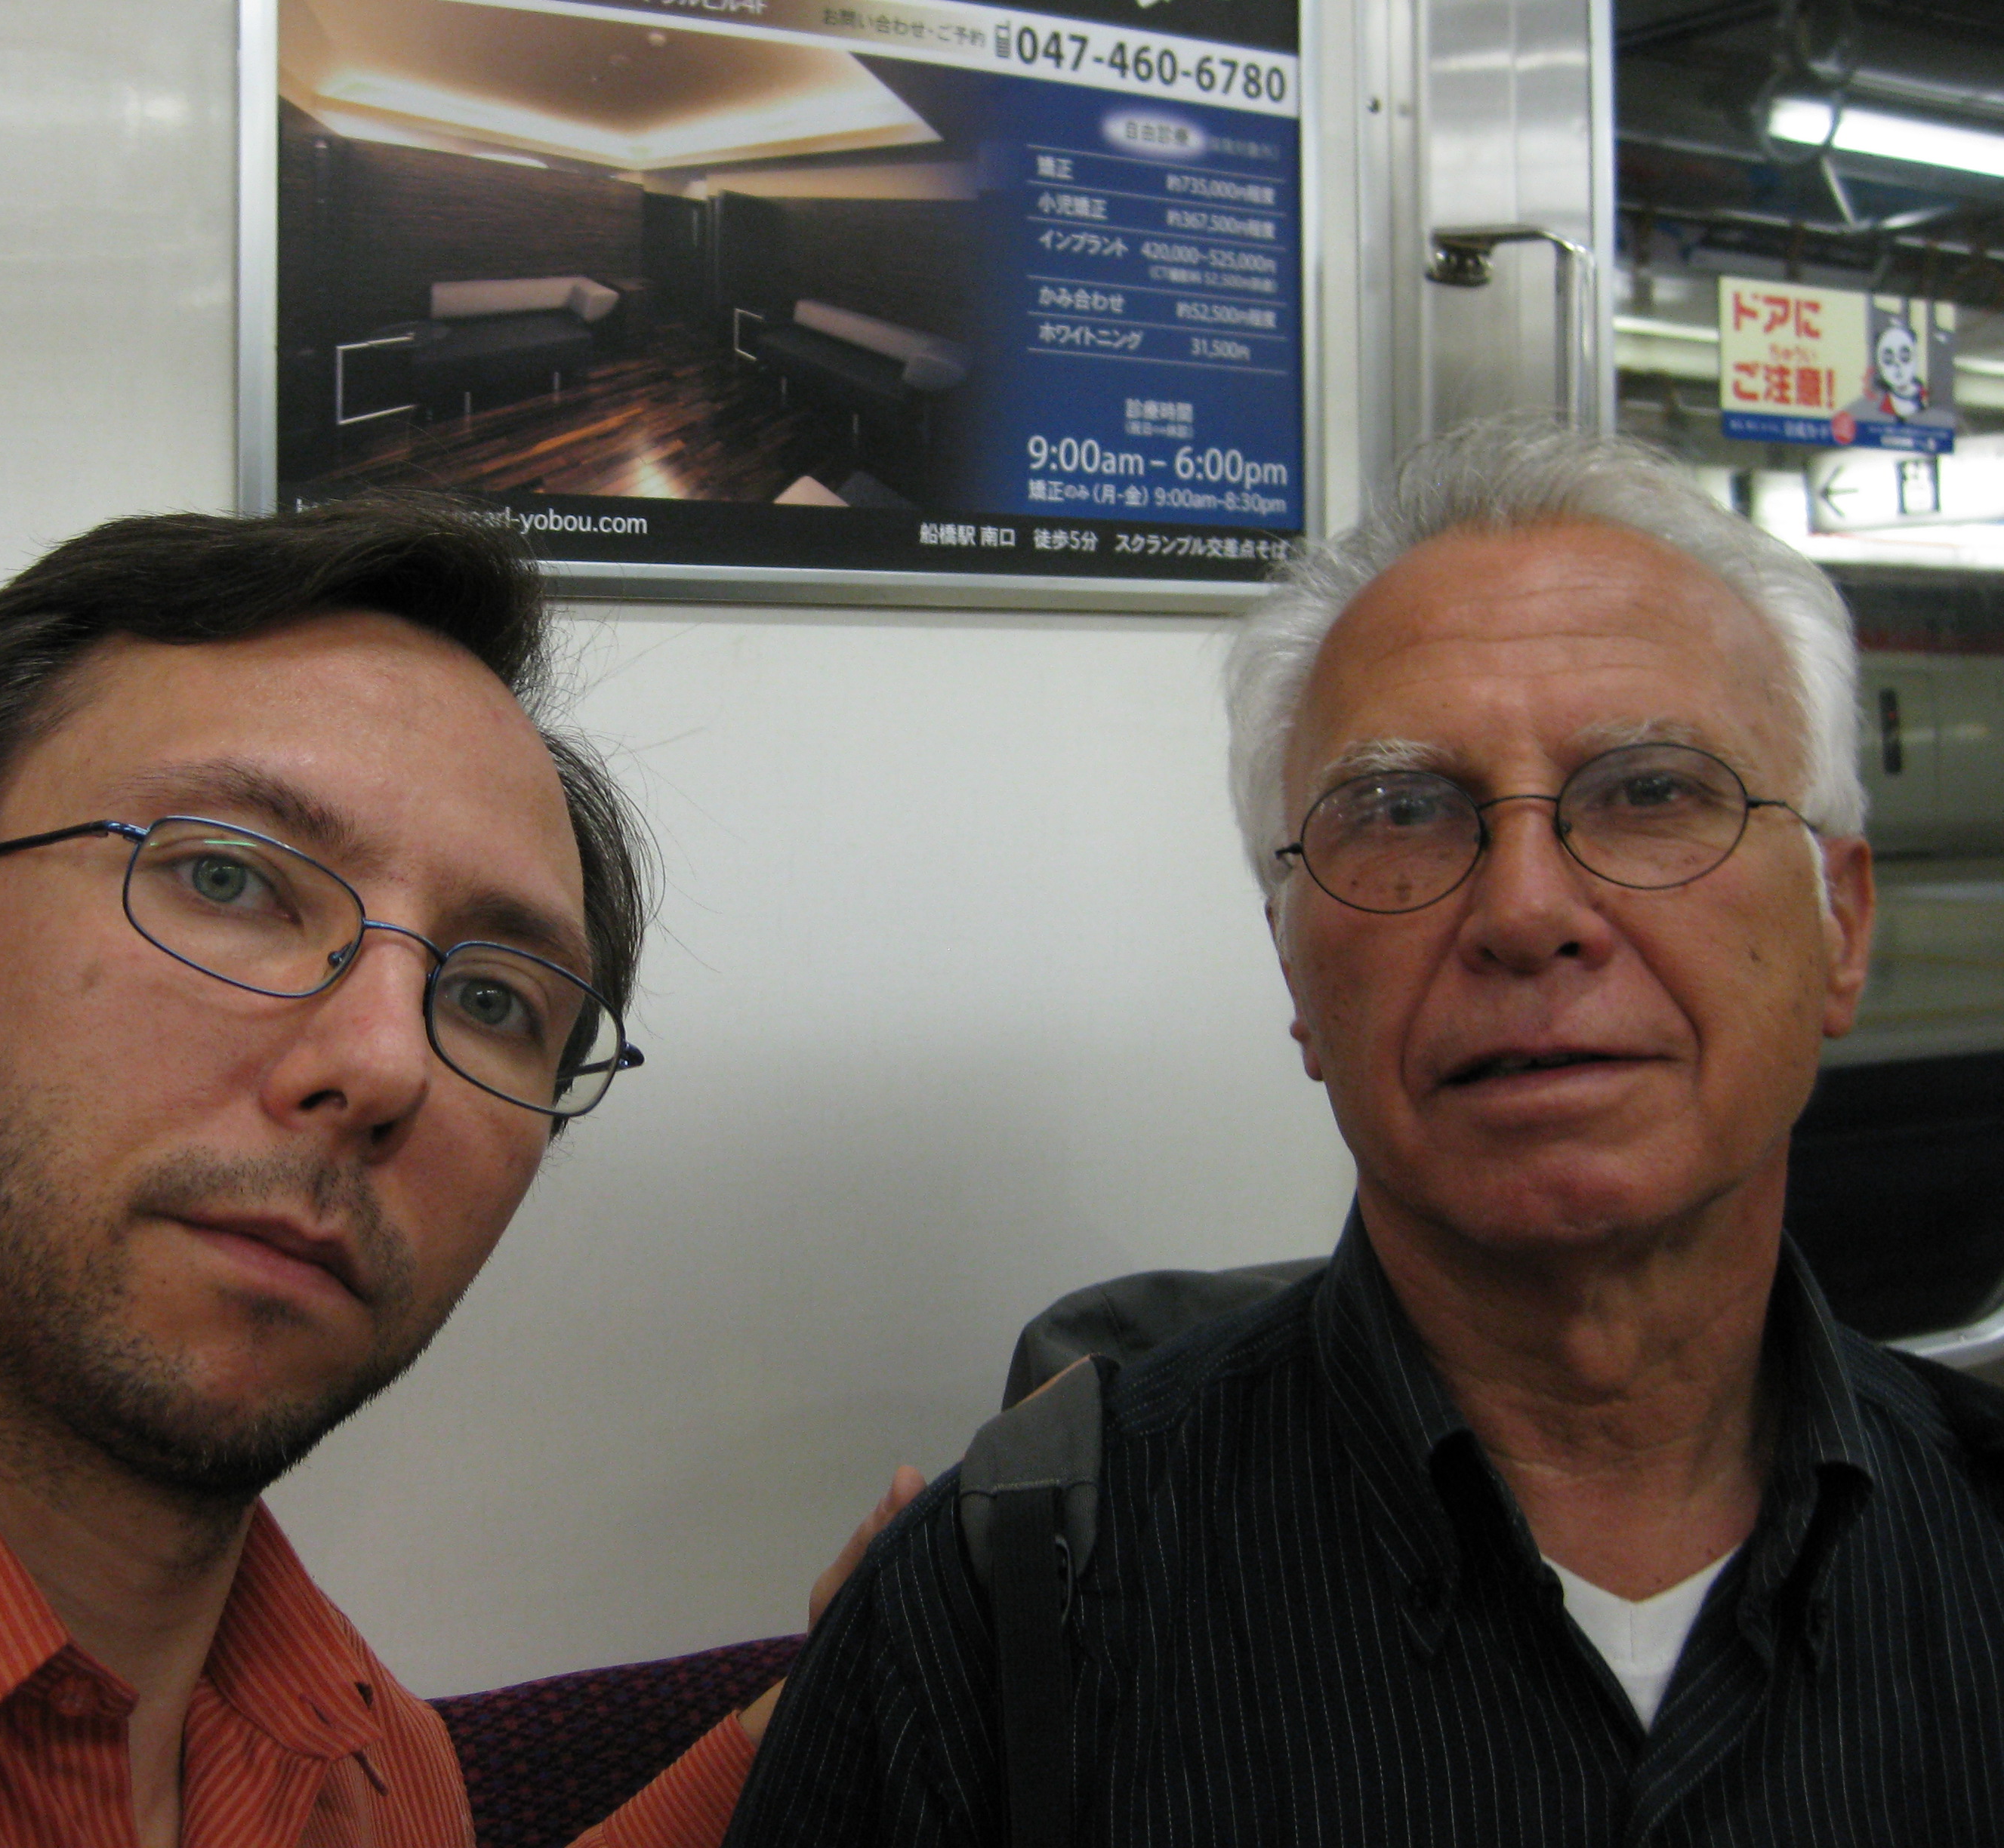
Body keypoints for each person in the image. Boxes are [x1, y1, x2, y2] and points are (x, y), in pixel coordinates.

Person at [0, 496, 915, 1847]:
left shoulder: (352, 1746)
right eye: (228, 880)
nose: (387, 1064)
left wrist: (822, 1714)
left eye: (493, 999)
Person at [728, 420, 2004, 1845]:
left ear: (1842, 928)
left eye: (1651, 791)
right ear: (1294, 972)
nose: (1526, 910)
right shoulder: (1001, 1609)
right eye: (1402, 813)